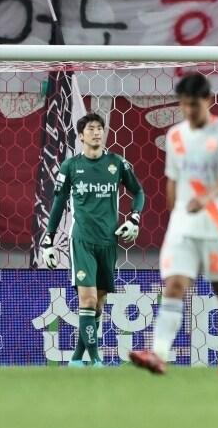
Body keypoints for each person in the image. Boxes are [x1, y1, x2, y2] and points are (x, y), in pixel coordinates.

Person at [130, 73, 218, 376]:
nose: (188, 112)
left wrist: (205, 198)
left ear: (207, 101)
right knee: (174, 285)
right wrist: (174, 214)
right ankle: (159, 354)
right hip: (184, 225)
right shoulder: (176, 136)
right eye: (183, 105)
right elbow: (172, 177)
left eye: (193, 105)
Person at [41, 113, 144, 367]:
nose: (97, 133)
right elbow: (58, 203)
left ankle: (77, 358)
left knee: (98, 304)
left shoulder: (117, 163)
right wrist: (48, 240)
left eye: (100, 128)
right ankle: (96, 360)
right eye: (91, 129)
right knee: (87, 300)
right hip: (82, 241)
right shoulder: (71, 167)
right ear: (81, 135)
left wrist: (134, 218)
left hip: (108, 242)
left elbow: (139, 191)